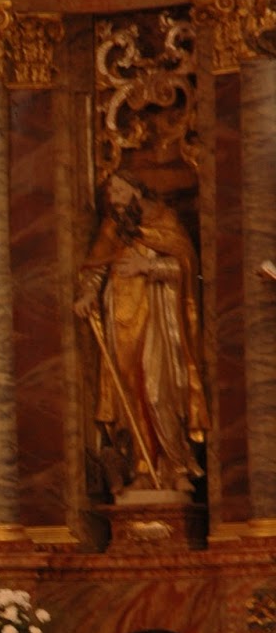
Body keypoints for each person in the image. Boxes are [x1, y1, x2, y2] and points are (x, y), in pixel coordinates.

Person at [74, 172, 210, 495]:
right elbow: (96, 267)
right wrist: (88, 294)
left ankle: (176, 465)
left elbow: (185, 267)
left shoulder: (164, 220)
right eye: (111, 194)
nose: (115, 198)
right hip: (120, 322)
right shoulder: (112, 228)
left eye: (121, 190)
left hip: (157, 321)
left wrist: (147, 267)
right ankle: (142, 467)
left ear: (137, 189)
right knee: (131, 396)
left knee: (158, 391)